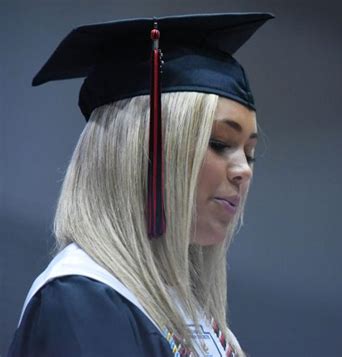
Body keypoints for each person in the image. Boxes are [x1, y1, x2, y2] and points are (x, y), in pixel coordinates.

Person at [7, 12, 273, 357]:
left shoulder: (196, 318)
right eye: (221, 143)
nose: (243, 171)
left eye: (250, 154)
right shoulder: (84, 300)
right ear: (143, 153)